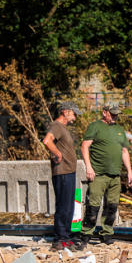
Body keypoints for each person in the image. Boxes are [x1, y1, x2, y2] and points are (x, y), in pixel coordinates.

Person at [79, 102, 132, 246]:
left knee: (112, 206)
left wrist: (129, 171)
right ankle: (86, 234)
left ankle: (107, 234)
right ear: (104, 112)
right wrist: (88, 167)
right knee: (93, 205)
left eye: (116, 114)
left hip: (115, 175)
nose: (115, 116)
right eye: (112, 113)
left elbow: (124, 151)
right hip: (98, 174)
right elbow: (85, 146)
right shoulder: (95, 126)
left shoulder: (119, 130)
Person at [42, 101, 82, 250]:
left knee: (69, 206)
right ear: (65, 112)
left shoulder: (62, 128)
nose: (75, 118)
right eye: (74, 114)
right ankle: (60, 239)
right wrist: (57, 153)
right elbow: (47, 141)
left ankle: (66, 237)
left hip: (68, 171)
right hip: (62, 172)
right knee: (64, 206)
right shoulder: (56, 126)